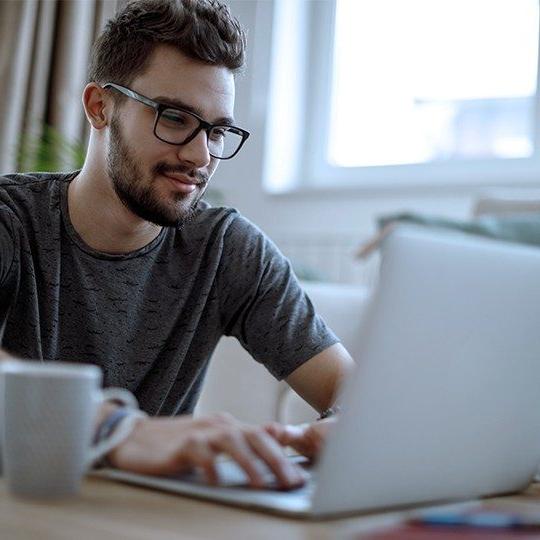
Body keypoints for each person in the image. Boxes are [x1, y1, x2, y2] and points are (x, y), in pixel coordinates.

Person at [0, 0, 354, 489]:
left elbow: (347, 385)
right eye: (174, 118)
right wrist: (117, 430)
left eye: (218, 130)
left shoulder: (226, 250)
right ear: (100, 107)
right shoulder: (11, 222)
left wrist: (349, 426)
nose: (199, 155)